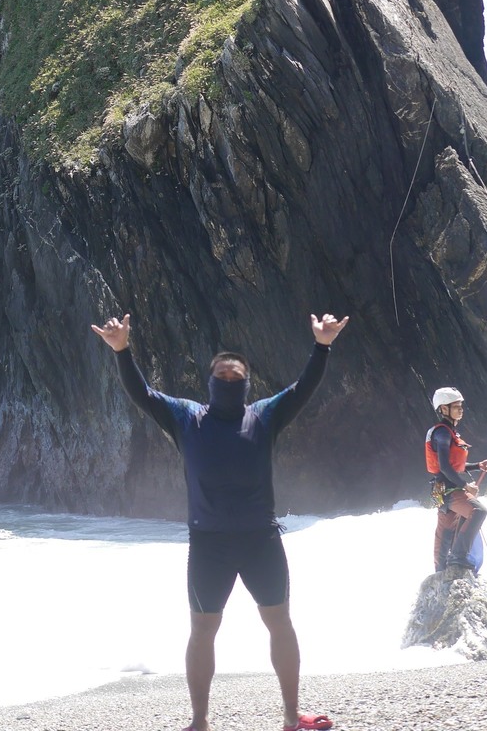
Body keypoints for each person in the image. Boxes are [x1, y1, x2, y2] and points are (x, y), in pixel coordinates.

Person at [92, 310, 349, 731]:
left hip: (261, 541)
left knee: (280, 623)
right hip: (209, 545)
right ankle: (199, 720)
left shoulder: (264, 415)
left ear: (247, 385)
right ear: (210, 383)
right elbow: (144, 395)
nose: (229, 381)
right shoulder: (187, 418)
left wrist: (323, 345)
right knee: (202, 630)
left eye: (236, 378)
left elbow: (303, 389)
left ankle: (290, 716)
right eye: (222, 376)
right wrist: (122, 351)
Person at [425, 386, 487, 572]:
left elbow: (455, 466)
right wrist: (465, 485)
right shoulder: (442, 433)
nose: (460, 409)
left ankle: (441, 571)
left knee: (445, 531)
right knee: (478, 511)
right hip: (449, 489)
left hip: (444, 489)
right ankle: (458, 558)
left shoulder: (449, 433)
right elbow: (445, 467)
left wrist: (478, 465)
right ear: (443, 409)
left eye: (460, 406)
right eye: (455, 406)